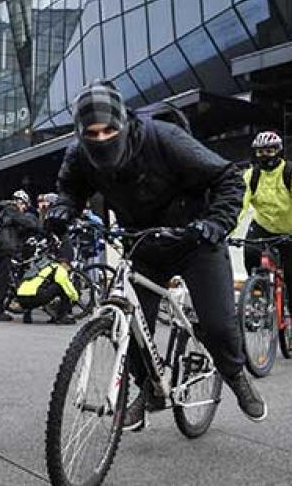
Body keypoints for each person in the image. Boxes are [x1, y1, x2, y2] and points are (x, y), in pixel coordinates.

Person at [46, 80, 266, 429]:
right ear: (79, 132)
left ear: (123, 122)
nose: (101, 138)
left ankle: (236, 375)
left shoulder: (163, 138)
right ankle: (149, 388)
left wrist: (214, 224)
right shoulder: (78, 155)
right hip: (142, 244)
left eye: (108, 130)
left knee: (218, 326)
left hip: (195, 239)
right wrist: (63, 209)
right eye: (92, 133)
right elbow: (70, 191)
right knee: (132, 325)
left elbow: (228, 178)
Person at [239, 131, 292, 353]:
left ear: (278, 151)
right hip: (263, 226)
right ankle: (258, 298)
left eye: (270, 150)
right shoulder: (251, 175)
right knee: (251, 253)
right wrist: (224, 229)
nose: (266, 155)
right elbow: (239, 205)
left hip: (291, 230)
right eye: (261, 151)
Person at [0, 190, 39, 321]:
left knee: (1, 279)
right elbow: (26, 222)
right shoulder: (11, 209)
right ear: (20, 202)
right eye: (24, 205)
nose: (24, 209)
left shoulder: (2, 209)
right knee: (2, 281)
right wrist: (37, 227)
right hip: (4, 248)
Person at [15, 241, 78, 325]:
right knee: (62, 287)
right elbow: (66, 286)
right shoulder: (58, 268)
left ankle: (27, 314)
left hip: (21, 298)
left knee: (38, 286)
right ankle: (62, 317)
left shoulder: (42, 267)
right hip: (37, 297)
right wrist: (75, 298)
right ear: (64, 264)